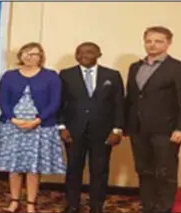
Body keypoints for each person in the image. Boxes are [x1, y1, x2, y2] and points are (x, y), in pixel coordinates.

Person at [0, 42, 65, 213]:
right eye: (26, 53)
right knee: (14, 167)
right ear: (20, 55)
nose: (30, 57)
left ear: (41, 57)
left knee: (33, 168)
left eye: (34, 54)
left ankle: (31, 203)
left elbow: (55, 102)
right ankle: (14, 201)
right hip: (12, 126)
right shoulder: (9, 75)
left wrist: (37, 120)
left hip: (40, 127)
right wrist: (13, 119)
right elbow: (3, 99)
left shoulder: (51, 76)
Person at [125, 26, 181, 213]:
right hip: (138, 129)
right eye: (149, 41)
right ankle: (148, 206)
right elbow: (131, 99)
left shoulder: (180, 69)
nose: (152, 45)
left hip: (166, 130)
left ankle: (164, 208)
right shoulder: (135, 67)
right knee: (144, 171)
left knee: (165, 172)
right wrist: (125, 126)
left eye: (158, 41)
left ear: (168, 43)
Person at [58, 42, 125, 213]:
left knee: (100, 170)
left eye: (89, 52)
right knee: (73, 168)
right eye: (79, 52)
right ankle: (73, 204)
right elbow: (60, 103)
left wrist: (117, 130)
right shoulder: (66, 75)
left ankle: (96, 205)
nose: (83, 55)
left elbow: (119, 104)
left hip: (103, 132)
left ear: (99, 54)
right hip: (73, 131)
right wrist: (61, 126)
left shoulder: (112, 75)